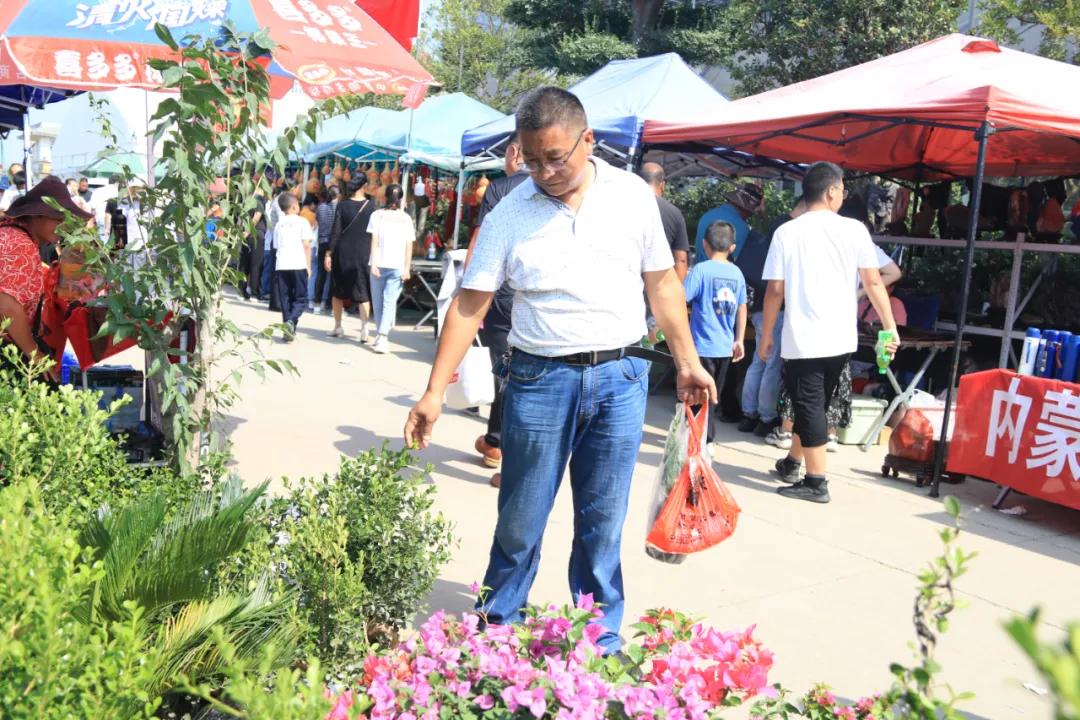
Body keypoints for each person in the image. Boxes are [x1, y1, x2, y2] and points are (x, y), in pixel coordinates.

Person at [404, 87, 715, 654]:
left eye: (555, 158)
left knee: (602, 523)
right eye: (532, 160)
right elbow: (470, 304)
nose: (544, 172)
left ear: (587, 140)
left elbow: (663, 285)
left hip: (620, 380)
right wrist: (433, 391)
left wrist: (688, 362)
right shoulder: (510, 211)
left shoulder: (632, 197)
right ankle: (497, 632)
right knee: (520, 519)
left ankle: (599, 643)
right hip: (539, 380)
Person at [759, 162, 899, 504]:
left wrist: (766, 333)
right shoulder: (855, 230)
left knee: (809, 405)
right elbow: (874, 281)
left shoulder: (787, 232)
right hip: (841, 338)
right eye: (842, 190)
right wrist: (890, 326)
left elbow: (775, 290)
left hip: (804, 337)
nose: (843, 196)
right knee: (814, 403)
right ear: (831, 191)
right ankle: (793, 462)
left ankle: (816, 481)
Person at [466, 133, 530, 487]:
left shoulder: (500, 189)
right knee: (528, 373)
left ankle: (504, 452)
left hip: (504, 294)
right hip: (541, 298)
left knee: (506, 371)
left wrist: (468, 293)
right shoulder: (564, 188)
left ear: (513, 152)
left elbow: (480, 243)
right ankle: (494, 441)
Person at [0, 177, 93, 376]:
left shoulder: (13, 236)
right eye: (57, 220)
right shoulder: (19, 244)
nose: (63, 227)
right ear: (36, 216)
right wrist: (35, 355)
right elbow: (6, 305)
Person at [736, 196, 806, 437]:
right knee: (772, 364)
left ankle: (748, 414)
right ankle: (766, 417)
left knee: (758, 361)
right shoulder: (791, 229)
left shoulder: (775, 225)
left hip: (759, 305)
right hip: (776, 307)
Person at [684, 221, 747, 445]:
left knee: (695, 397)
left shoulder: (701, 270)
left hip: (700, 347)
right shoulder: (737, 273)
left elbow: (682, 298)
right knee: (713, 396)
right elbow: (742, 307)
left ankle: (698, 441)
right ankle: (705, 441)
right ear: (732, 247)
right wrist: (739, 339)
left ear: (704, 244)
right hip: (724, 347)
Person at [367, 184, 414, 354]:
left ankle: (381, 335)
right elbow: (409, 245)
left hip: (380, 263)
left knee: (379, 301)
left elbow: (374, 241)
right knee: (388, 301)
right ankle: (382, 336)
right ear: (401, 198)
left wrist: (373, 263)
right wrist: (406, 268)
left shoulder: (376, 215)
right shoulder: (406, 218)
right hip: (396, 265)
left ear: (385, 197)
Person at [327, 178, 376, 341]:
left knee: (338, 291)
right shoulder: (372, 206)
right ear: (364, 186)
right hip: (364, 252)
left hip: (343, 252)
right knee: (362, 291)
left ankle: (338, 326)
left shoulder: (342, 205)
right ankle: (364, 329)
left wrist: (328, 253)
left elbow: (336, 231)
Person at [272, 192, 313, 342]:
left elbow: (276, 246)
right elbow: (306, 245)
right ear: (294, 206)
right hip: (298, 263)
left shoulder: (278, 224)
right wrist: (308, 266)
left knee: (285, 298)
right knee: (301, 298)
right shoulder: (302, 222)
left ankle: (288, 329)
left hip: (282, 264)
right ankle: (291, 321)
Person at [638, 162, 689, 281]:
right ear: (662, 185)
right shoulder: (674, 213)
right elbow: (681, 260)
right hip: (659, 283)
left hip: (627, 282)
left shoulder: (623, 207)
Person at [694, 183, 763, 262]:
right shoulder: (742, 228)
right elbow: (736, 260)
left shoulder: (707, 215)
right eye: (751, 213)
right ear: (746, 210)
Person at [311, 186, 338, 313]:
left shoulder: (320, 207)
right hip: (334, 242)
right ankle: (331, 304)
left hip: (322, 241)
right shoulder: (338, 207)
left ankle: (317, 303)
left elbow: (318, 221)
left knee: (321, 274)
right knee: (334, 275)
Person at [90, 174, 120, 243]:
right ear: (119, 182)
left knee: (104, 245)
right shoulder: (120, 192)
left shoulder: (97, 191)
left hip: (101, 223)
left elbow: (93, 209)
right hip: (117, 223)